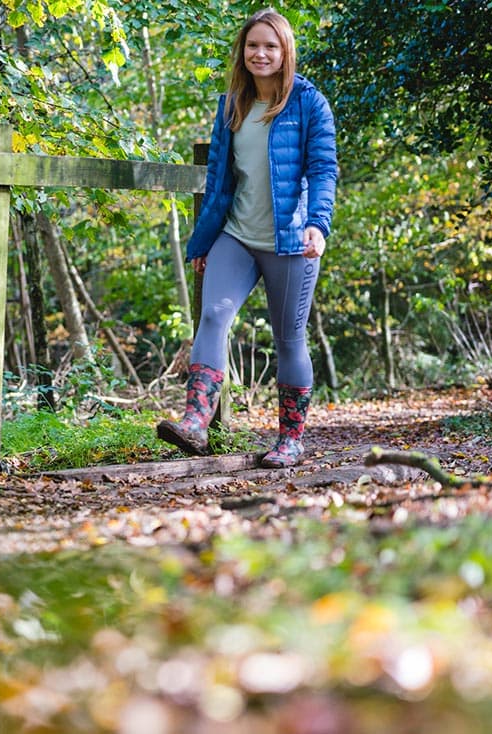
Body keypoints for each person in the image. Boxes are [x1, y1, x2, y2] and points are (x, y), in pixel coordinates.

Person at [157, 8, 338, 468]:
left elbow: (323, 170)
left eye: (270, 46)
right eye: (253, 45)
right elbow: (219, 180)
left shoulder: (309, 103)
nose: (261, 53)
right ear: (243, 51)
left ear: (285, 52)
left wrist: (318, 222)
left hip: (291, 240)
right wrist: (201, 242)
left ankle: (290, 440)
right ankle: (195, 422)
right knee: (213, 315)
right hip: (236, 235)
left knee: (289, 339)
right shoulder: (232, 103)